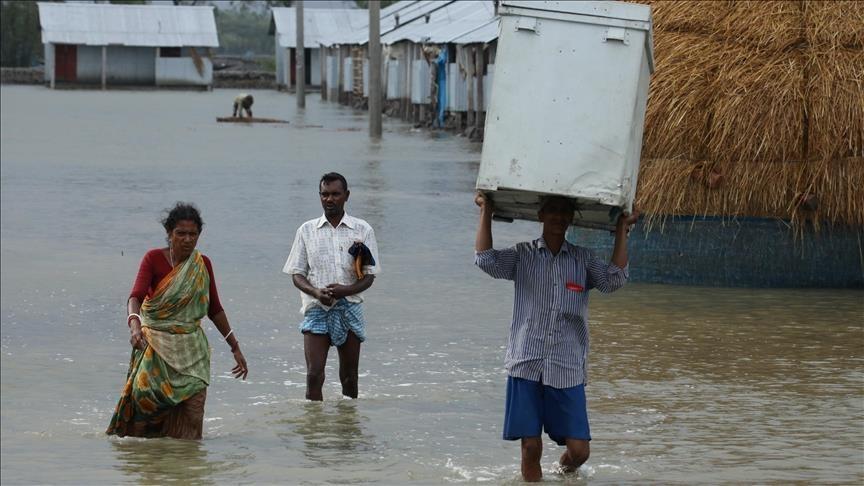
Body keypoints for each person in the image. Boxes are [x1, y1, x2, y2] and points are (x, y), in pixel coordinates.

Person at [473, 192, 638, 482]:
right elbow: (485, 259)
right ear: (541, 216)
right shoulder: (522, 255)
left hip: (567, 368)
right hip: (527, 363)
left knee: (580, 451)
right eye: (553, 211)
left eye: (565, 212)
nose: (559, 217)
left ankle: (562, 473)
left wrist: (622, 230)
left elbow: (614, 279)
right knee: (530, 447)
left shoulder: (582, 260)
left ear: (571, 219)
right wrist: (486, 210)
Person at [106, 202, 248, 440]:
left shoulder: (202, 265)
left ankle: (188, 467)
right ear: (169, 234)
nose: (187, 239)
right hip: (155, 345)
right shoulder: (153, 259)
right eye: (180, 233)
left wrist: (235, 346)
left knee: (193, 413)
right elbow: (136, 296)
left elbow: (215, 309)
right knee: (144, 400)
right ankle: (147, 463)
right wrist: (135, 326)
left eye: (193, 234)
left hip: (192, 351)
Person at [283, 172, 380, 401]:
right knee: (314, 375)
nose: (330, 199)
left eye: (335, 194)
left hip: (349, 308)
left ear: (346, 196)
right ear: (319, 196)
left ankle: (347, 430)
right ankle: (315, 431)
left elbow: (369, 276)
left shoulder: (362, 230)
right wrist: (316, 291)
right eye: (325, 194)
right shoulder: (306, 230)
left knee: (349, 377)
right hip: (317, 308)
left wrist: (344, 291)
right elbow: (297, 274)